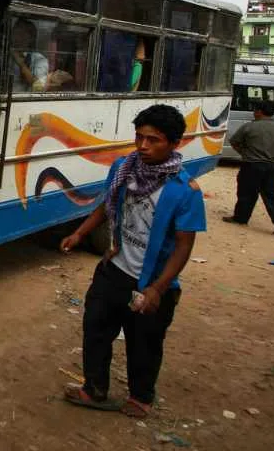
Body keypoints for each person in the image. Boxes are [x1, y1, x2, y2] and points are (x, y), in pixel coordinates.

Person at [59, 104, 206, 418]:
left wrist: (158, 289)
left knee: (144, 344)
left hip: (152, 282)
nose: (143, 146)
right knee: (96, 329)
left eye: (154, 140)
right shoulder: (124, 167)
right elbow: (106, 204)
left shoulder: (185, 190)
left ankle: (141, 398)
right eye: (139, 137)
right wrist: (80, 234)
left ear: (175, 144)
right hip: (113, 269)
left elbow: (183, 246)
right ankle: (94, 389)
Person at [222, 100, 274, 236]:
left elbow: (234, 142)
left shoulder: (249, 127)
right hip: (272, 167)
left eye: (255, 110)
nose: (253, 113)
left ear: (259, 111)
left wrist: (244, 153)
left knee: (246, 193)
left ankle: (241, 218)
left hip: (251, 165)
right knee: (273, 196)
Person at [11, 19, 49, 92]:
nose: (17, 38)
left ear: (31, 38)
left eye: (21, 34)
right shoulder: (6, 55)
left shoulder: (39, 59)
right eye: (15, 33)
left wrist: (22, 65)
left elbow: (39, 88)